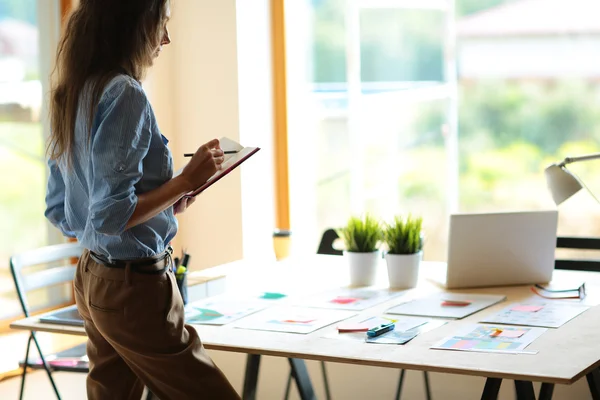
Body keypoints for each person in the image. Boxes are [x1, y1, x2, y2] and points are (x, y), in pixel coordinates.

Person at [44, 0, 240, 398]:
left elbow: (62, 211)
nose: (166, 39)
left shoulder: (74, 91)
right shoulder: (126, 95)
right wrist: (185, 181)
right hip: (133, 289)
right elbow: (111, 215)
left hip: (92, 280)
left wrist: (163, 204)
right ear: (132, 25)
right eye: (161, 24)